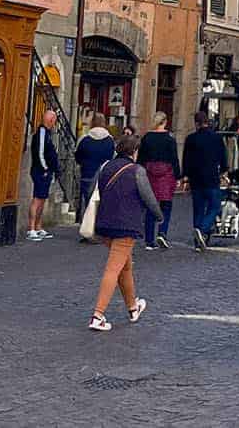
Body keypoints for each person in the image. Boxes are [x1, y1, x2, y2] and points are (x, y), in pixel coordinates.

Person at [89, 133, 162, 332]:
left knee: (125, 266)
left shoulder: (105, 167)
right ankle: (98, 315)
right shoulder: (137, 170)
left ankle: (132, 307)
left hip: (105, 224)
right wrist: (159, 216)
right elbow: (148, 197)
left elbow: (92, 191)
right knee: (113, 269)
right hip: (126, 225)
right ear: (135, 152)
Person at [183, 111, 229, 251]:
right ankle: (202, 230)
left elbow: (186, 160)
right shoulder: (216, 138)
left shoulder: (191, 139)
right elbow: (223, 157)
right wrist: (224, 171)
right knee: (215, 206)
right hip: (211, 177)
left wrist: (186, 176)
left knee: (198, 209)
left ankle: (198, 241)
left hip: (196, 179)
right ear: (207, 122)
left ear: (196, 123)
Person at [138, 112, 180, 250]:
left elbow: (141, 159)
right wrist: (178, 176)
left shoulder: (147, 138)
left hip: (150, 174)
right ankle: (162, 232)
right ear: (165, 122)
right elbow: (174, 159)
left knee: (150, 205)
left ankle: (149, 240)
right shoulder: (169, 139)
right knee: (166, 205)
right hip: (166, 174)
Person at [74, 113, 115, 240]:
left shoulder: (85, 139)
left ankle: (88, 230)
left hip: (88, 173)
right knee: (101, 203)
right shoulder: (110, 140)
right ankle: (99, 230)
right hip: (104, 175)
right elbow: (112, 157)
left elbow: (78, 156)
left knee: (88, 203)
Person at [27, 109, 60, 241]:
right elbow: (40, 152)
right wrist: (45, 168)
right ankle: (31, 229)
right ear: (50, 120)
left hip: (46, 171)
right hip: (41, 171)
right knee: (37, 199)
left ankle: (38, 227)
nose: (55, 123)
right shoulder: (41, 132)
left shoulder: (47, 133)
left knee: (42, 199)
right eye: (54, 120)